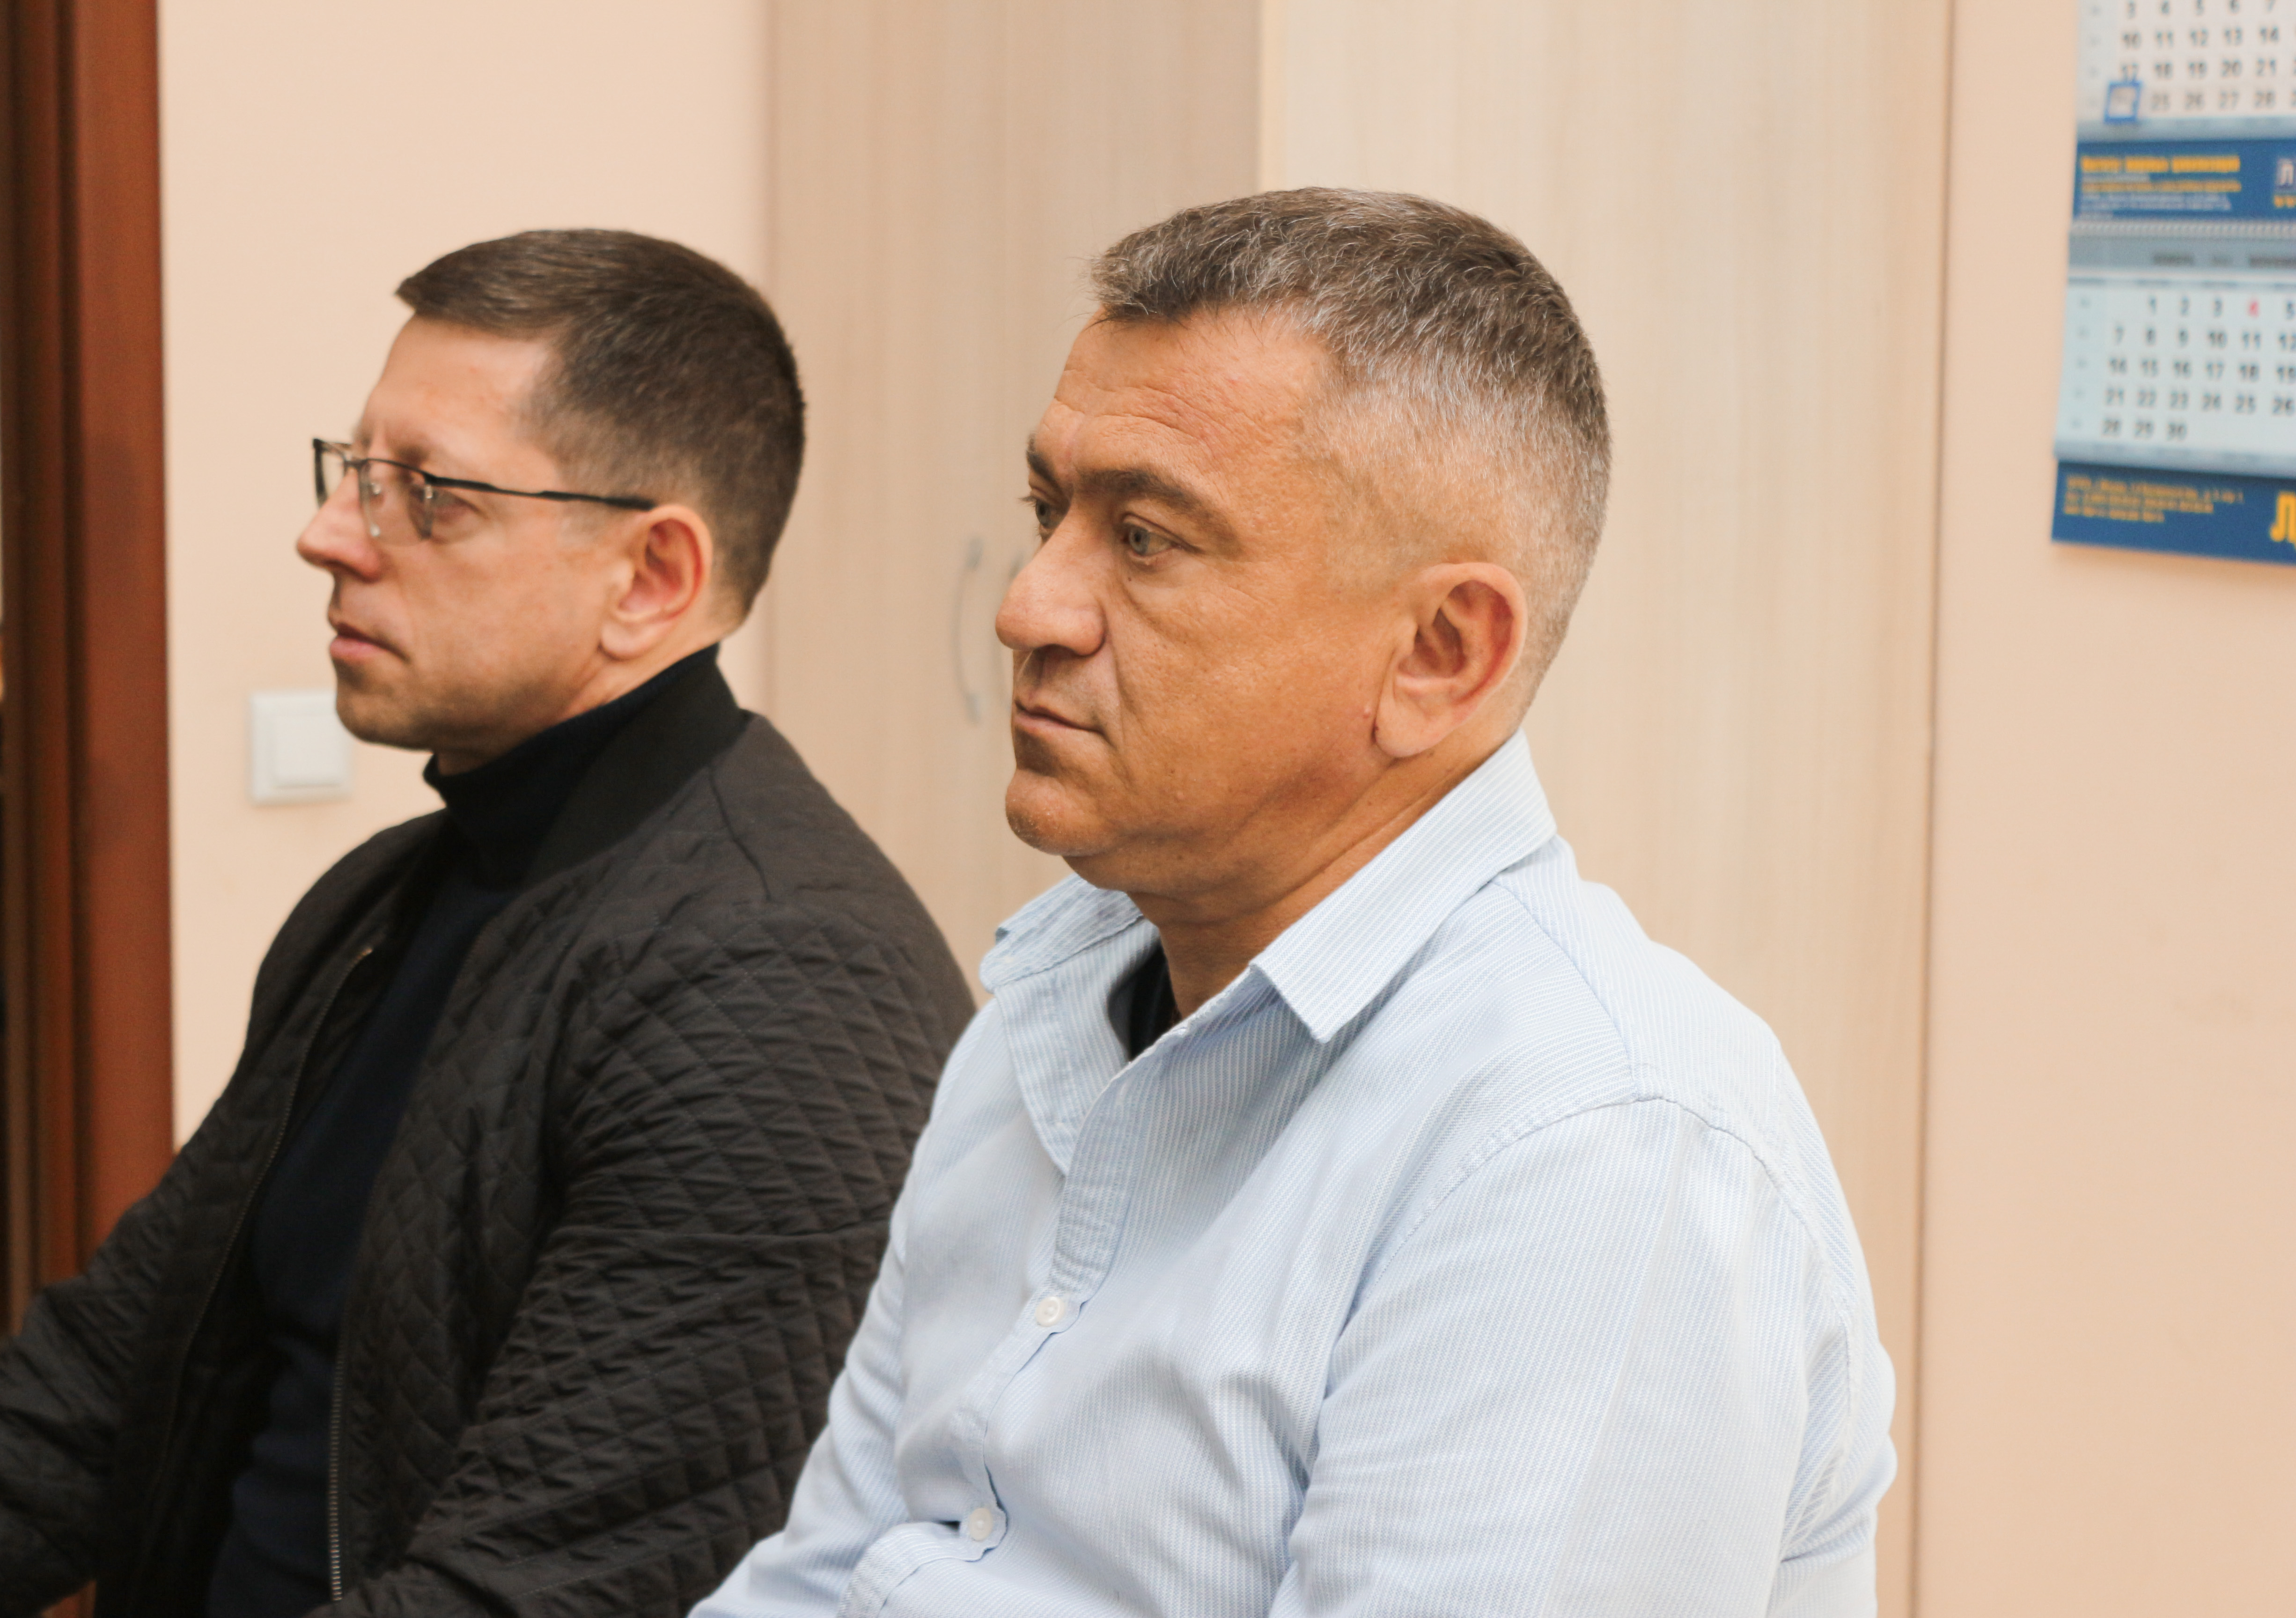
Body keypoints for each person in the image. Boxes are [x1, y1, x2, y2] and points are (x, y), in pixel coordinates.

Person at [699, 190, 1898, 1618]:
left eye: (1147, 540)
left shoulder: (1589, 1145)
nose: (1030, 607)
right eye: (1048, 513)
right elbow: (824, 1577)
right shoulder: (1049, 1005)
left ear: (1440, 654)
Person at [0, 229, 973, 1616]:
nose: (331, 533)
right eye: (354, 470)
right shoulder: (385, 896)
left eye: (427, 496)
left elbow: (532, 1595)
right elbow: (103, 1379)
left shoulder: (777, 986)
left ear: (649, 578)